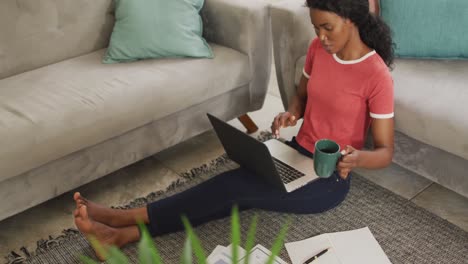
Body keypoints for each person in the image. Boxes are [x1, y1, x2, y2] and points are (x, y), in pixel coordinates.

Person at [73, 0, 395, 260]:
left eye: (328, 27)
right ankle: (124, 234)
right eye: (316, 27)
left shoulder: (376, 75)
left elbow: (384, 152)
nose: (321, 36)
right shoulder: (316, 50)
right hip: (296, 153)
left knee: (233, 188)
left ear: (352, 20)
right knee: (235, 189)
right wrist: (290, 113)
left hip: (328, 181)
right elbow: (302, 95)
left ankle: (126, 219)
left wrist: (356, 160)